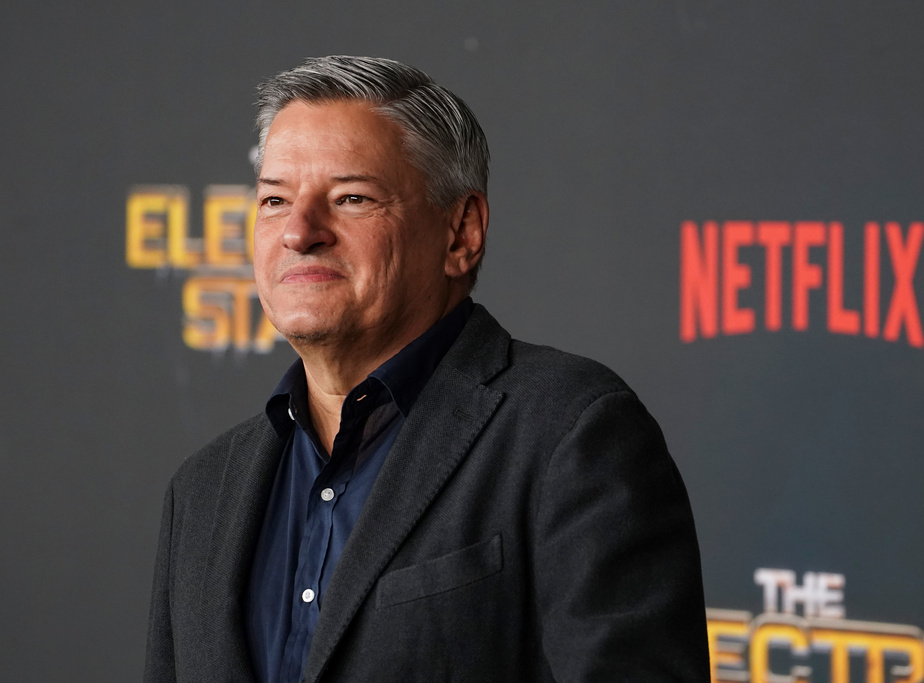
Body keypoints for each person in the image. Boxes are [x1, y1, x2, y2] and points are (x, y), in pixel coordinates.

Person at [145, 55, 710, 683]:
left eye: (351, 197)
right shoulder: (201, 492)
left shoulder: (569, 435)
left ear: (460, 233)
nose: (299, 231)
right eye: (274, 199)